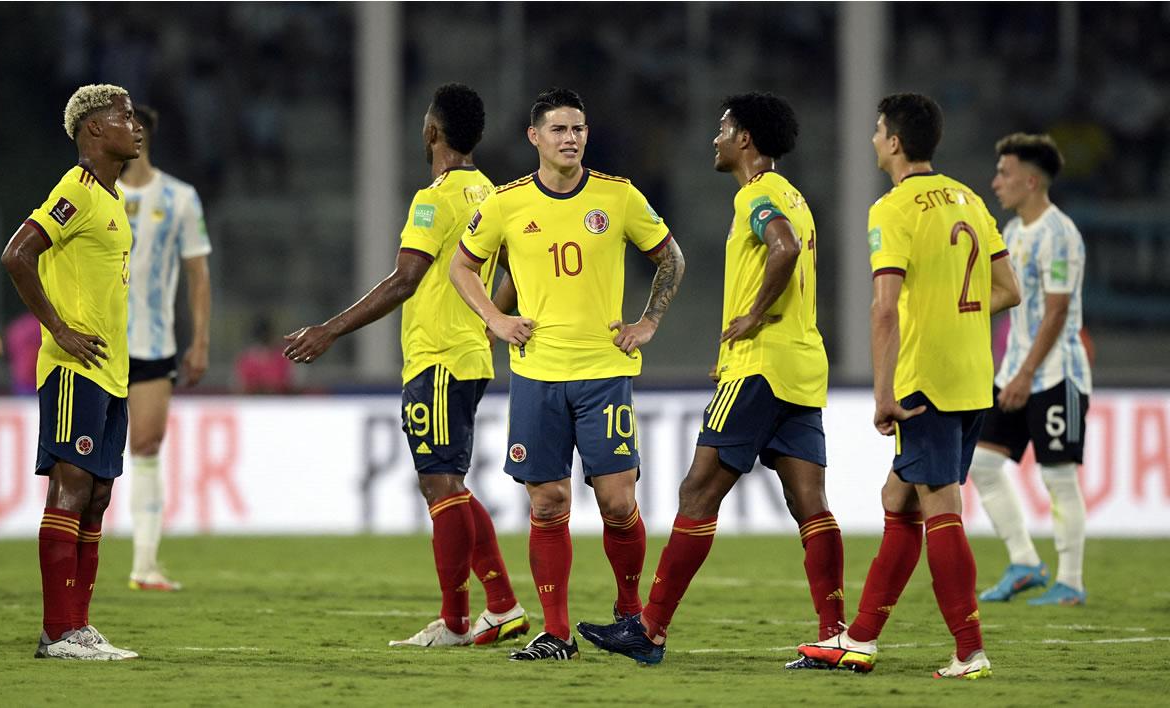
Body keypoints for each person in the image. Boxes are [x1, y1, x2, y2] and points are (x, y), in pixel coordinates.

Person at [576, 92, 844, 666]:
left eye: (723, 129)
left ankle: (649, 630)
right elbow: (791, 245)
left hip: (760, 367)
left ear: (745, 138)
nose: (715, 139)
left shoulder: (757, 194)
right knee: (811, 503)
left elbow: (783, 249)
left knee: (697, 492)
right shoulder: (794, 195)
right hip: (801, 365)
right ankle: (835, 632)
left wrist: (752, 316)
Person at [284, 83, 528, 648]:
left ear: (432, 131)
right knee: (450, 483)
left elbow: (405, 279)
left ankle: (458, 620)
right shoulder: (491, 194)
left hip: (438, 357)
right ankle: (501, 606)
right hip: (468, 356)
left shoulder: (434, 200)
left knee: (440, 484)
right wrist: (490, 320)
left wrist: (329, 330)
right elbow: (516, 269)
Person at [450, 87, 686, 662]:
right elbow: (462, 266)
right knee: (549, 503)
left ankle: (629, 614)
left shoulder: (618, 196)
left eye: (578, 128)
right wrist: (496, 318)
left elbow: (671, 258)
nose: (570, 138)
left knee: (617, 502)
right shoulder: (506, 203)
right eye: (558, 129)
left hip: (604, 372)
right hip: (537, 376)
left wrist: (649, 321)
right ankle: (556, 634)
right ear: (535, 137)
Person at [794, 93, 1020, 679]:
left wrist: (883, 393)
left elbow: (884, 308)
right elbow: (1009, 289)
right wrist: (955, 314)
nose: (873, 139)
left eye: (877, 131)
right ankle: (861, 639)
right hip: (973, 377)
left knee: (940, 506)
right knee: (899, 500)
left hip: (927, 382)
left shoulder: (892, 209)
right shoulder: (968, 199)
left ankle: (970, 650)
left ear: (894, 142)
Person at [1, 83, 144, 660]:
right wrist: (58, 329)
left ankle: (77, 627)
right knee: (72, 487)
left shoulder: (113, 198)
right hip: (73, 368)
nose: (136, 126)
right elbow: (16, 254)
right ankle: (57, 631)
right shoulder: (76, 189)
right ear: (94, 129)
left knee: (98, 495)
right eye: (125, 117)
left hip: (110, 371)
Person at [971, 134, 1091, 606]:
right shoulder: (1014, 232)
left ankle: (1071, 582)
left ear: (1031, 180)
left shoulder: (1059, 234)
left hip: (1057, 375)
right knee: (982, 464)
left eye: (1005, 173)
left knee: (1058, 476)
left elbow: (1056, 311)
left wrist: (1025, 374)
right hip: (1014, 372)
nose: (996, 181)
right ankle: (1024, 563)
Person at [117, 103, 213, 592]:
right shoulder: (94, 194)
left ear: (143, 133)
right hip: (98, 343)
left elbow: (198, 274)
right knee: (85, 460)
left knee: (146, 446)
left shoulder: (179, 197)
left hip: (153, 343)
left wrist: (200, 340)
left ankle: (144, 564)